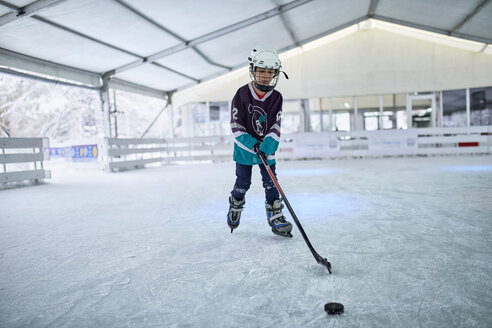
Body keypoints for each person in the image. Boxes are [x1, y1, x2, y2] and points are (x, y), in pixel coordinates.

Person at [226, 46, 293, 237]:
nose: (265, 75)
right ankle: (235, 204)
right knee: (243, 182)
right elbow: (236, 125)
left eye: (270, 72)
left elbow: (275, 126)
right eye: (261, 71)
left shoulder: (276, 97)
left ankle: (276, 216)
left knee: (271, 182)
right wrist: (253, 145)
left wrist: (265, 147)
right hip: (245, 148)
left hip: (266, 149)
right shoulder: (242, 94)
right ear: (253, 70)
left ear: (276, 73)